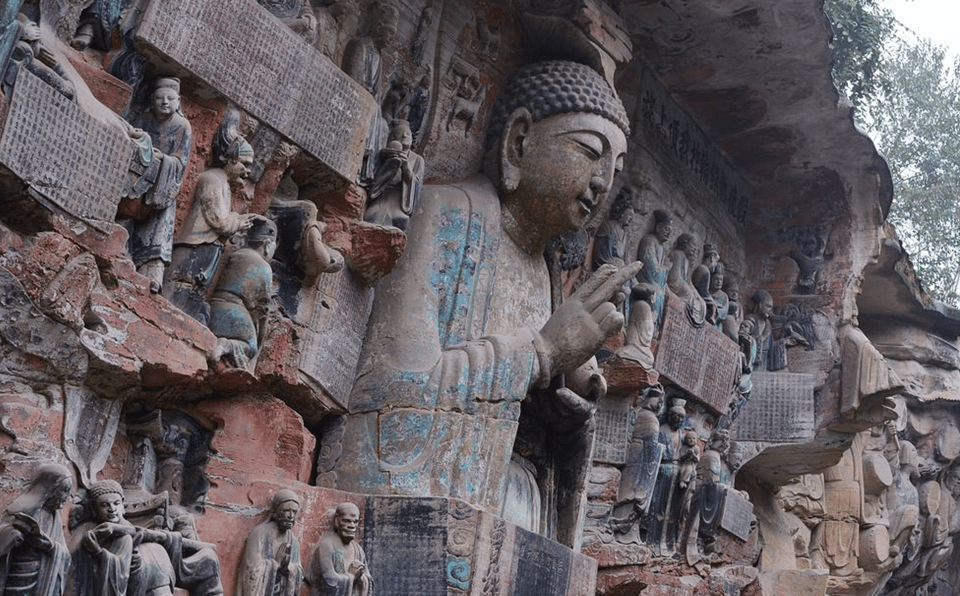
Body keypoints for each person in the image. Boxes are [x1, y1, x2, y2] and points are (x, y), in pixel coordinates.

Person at [330, 60, 635, 543]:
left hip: (518, 506)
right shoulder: (444, 215)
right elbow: (390, 392)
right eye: (587, 152)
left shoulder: (550, 271)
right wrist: (541, 354)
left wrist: (567, 417)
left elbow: (535, 423)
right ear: (518, 141)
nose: (600, 183)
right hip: (440, 510)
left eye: (613, 171)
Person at [162, 113, 258, 324]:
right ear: (232, 159)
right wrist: (238, 220)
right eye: (245, 163)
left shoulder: (225, 184)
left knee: (191, 302)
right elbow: (220, 222)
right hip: (194, 250)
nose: (248, 170)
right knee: (177, 298)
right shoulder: (212, 179)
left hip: (207, 253)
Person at [123, 77, 193, 294]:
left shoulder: (182, 126)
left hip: (163, 180)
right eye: (160, 98)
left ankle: (152, 271)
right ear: (152, 100)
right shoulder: (144, 118)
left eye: (170, 99)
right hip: (139, 172)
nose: (165, 102)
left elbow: (180, 161)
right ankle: (123, 251)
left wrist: (161, 160)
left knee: (160, 218)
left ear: (178, 101)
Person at [207, 218, 277, 369]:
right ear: (267, 245)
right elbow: (262, 310)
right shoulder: (264, 267)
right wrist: (259, 339)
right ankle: (227, 345)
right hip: (235, 313)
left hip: (213, 308)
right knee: (250, 347)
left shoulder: (235, 255)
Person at [0, 464, 73, 596]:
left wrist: (50, 546)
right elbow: (3, 532)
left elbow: (65, 554)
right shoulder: (22, 509)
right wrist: (12, 535)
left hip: (44, 579)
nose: (67, 496)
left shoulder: (55, 517)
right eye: (65, 489)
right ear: (50, 488)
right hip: (18, 576)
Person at [66, 480, 134, 596]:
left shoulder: (124, 536)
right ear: (94, 508)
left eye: (116, 503)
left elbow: (120, 573)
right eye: (104, 505)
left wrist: (97, 552)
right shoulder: (88, 528)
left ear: (123, 503)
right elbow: (70, 556)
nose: (112, 509)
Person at [236, 491, 303, 596]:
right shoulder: (259, 533)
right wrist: (275, 564)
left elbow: (298, 571)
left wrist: (289, 567)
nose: (291, 516)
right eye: (286, 511)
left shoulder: (293, 541)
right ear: (275, 512)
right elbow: (252, 570)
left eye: (294, 512)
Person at [364, 119, 424, 230]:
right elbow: (373, 180)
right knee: (371, 217)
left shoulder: (418, 160)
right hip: (382, 197)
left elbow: (416, 183)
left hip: (399, 199)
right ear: (393, 138)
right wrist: (390, 162)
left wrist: (406, 166)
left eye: (408, 135)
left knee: (401, 222)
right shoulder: (383, 153)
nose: (405, 137)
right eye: (400, 135)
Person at [307, 503, 371, 596]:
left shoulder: (358, 549)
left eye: (355, 522)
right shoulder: (327, 546)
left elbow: (367, 577)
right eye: (347, 521)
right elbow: (328, 580)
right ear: (337, 521)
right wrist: (351, 576)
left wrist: (361, 577)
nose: (352, 526)